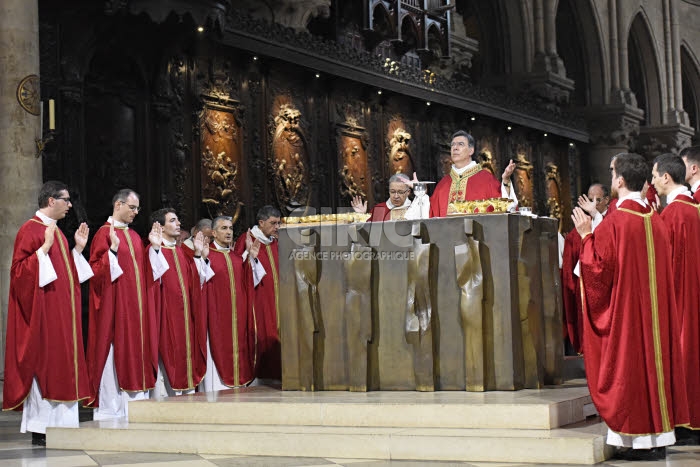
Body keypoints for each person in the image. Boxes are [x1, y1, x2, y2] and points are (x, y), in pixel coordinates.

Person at [571, 153, 688, 461]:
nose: (611, 179)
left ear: (620, 180)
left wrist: (585, 237)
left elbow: (596, 273)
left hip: (628, 320)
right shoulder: (656, 219)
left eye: (612, 173)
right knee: (655, 368)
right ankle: (660, 437)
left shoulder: (615, 224)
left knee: (631, 370)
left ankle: (639, 442)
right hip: (657, 319)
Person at [2, 181, 93, 446]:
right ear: (51, 201)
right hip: (44, 318)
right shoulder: (30, 230)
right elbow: (18, 275)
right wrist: (42, 249)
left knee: (65, 365)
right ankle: (42, 428)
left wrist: (76, 249)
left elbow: (66, 277)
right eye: (65, 200)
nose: (70, 205)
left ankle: (65, 427)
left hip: (64, 316)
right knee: (47, 366)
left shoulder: (58, 234)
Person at [87, 189, 169, 420]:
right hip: (116, 311)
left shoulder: (133, 236)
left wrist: (153, 248)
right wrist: (111, 251)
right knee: (115, 358)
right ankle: (110, 412)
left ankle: (136, 408)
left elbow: (147, 273)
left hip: (136, 310)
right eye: (132, 208)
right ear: (118, 205)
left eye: (137, 209)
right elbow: (94, 274)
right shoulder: (103, 234)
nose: (135, 213)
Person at [651, 153, 700, 443]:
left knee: (683, 358)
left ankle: (685, 421)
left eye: (655, 175)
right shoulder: (694, 208)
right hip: (694, 295)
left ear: (666, 177)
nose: (653, 181)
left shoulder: (672, 215)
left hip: (679, 300)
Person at [147, 208, 213, 398]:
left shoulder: (181, 252)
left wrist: (199, 255)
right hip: (166, 315)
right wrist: (156, 248)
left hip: (186, 316)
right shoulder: (153, 250)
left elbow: (198, 281)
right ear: (159, 226)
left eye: (178, 220)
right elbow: (152, 279)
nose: (178, 224)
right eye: (173, 221)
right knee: (167, 356)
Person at [200, 215, 262, 391]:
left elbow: (249, 283)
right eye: (223, 228)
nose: (228, 232)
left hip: (238, 317)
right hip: (217, 317)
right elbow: (199, 283)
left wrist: (251, 259)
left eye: (230, 228)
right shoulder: (207, 255)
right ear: (213, 232)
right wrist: (202, 259)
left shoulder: (236, 257)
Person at [234, 206, 282, 382]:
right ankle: (261, 376)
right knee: (262, 334)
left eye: (278, 223)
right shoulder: (246, 240)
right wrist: (250, 256)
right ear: (261, 223)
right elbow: (240, 273)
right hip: (258, 300)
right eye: (273, 223)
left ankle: (279, 374)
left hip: (277, 299)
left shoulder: (275, 242)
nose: (277, 227)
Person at [561, 183, 610, 354]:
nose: (592, 203)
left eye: (597, 200)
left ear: (606, 200)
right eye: (589, 199)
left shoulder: (612, 219)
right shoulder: (576, 233)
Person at [429, 130, 517, 217]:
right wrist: (420, 195)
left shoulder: (486, 179)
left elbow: (505, 207)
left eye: (460, 144)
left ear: (471, 150)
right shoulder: (443, 184)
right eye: (453, 145)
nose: (455, 148)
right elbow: (430, 213)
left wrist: (506, 180)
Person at [350, 173, 428, 221]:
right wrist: (362, 216)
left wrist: (419, 188)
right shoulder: (379, 209)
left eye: (400, 192)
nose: (396, 196)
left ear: (408, 192)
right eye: (393, 192)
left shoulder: (416, 208)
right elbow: (368, 235)